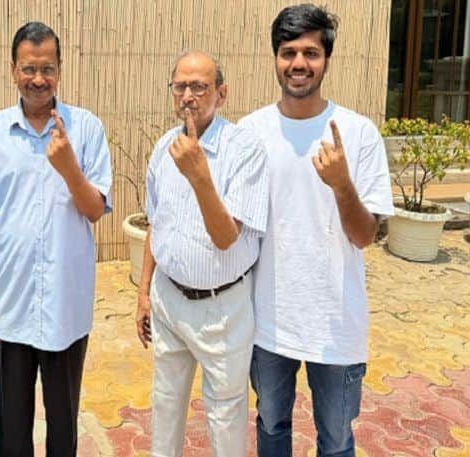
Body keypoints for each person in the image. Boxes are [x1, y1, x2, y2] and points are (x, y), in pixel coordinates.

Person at [238, 4, 394, 456]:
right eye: (289, 52)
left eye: (311, 52)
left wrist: (343, 184)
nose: (299, 64)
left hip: (336, 322)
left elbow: (365, 236)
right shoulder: (251, 132)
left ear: (327, 59)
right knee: (270, 428)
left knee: (336, 439)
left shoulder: (358, 133)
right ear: (275, 58)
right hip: (268, 321)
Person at [0, 21, 112, 457]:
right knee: (12, 430)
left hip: (65, 308)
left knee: (63, 426)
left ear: (60, 69)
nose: (38, 79)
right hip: (9, 307)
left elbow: (94, 210)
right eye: (29, 68)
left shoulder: (86, 129)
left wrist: (69, 166)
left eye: (47, 68)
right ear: (13, 70)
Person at [135, 51, 269, 457]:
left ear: (221, 94)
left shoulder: (245, 150)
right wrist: (143, 292)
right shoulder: (163, 148)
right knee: (165, 401)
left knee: (225, 415)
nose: (188, 96)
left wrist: (199, 176)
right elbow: (155, 224)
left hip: (221, 309)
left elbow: (227, 237)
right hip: (168, 298)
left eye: (200, 87)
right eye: (181, 86)